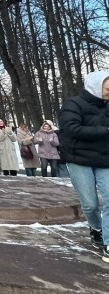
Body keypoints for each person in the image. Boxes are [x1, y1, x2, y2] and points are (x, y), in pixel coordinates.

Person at [58, 70, 109, 260]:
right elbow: (71, 128)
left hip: (105, 160)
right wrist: (105, 130)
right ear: (96, 87)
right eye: (107, 89)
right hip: (79, 159)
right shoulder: (73, 104)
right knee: (90, 205)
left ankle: (108, 241)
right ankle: (96, 227)